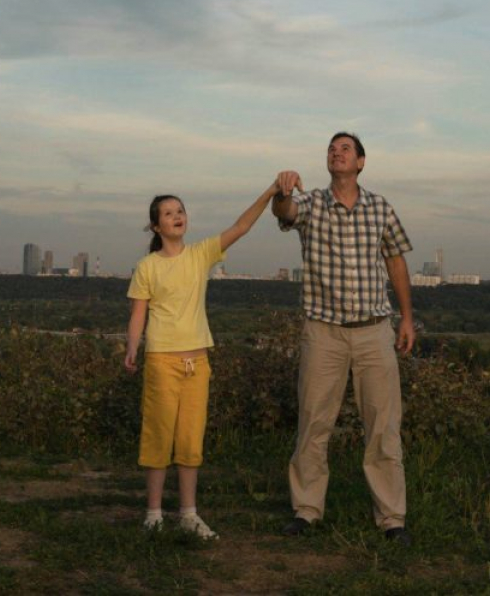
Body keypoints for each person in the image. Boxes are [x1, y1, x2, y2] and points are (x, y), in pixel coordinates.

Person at [273, 132, 415, 546]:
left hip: (374, 331)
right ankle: (306, 510)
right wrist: (281, 191)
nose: (336, 153)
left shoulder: (380, 207)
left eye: (345, 149)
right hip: (324, 333)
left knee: (383, 427)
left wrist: (407, 317)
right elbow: (284, 212)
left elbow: (396, 261)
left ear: (361, 162)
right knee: (314, 423)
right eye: (332, 149)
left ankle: (392, 518)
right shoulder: (312, 203)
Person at [125, 182, 280, 539]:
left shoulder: (200, 254)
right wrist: (132, 347)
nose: (177, 217)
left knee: (191, 439)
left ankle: (189, 514)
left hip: (198, 363)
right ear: (156, 227)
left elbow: (241, 227)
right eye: (168, 213)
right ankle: (153, 513)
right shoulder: (147, 266)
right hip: (162, 361)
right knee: (158, 436)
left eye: (180, 211)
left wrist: (270, 192)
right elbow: (138, 315)